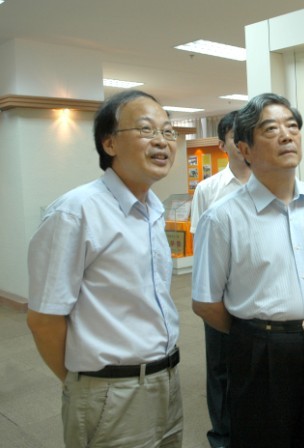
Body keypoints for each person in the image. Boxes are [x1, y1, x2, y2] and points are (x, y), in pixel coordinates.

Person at [191, 93, 304, 448]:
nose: (286, 135)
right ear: (244, 149)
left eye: (292, 126)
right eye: (271, 129)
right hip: (260, 350)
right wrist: (256, 334)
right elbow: (205, 302)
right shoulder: (222, 217)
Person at [26, 90, 183, 447]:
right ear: (109, 143)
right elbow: (44, 320)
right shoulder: (76, 212)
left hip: (167, 380)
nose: (162, 141)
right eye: (146, 130)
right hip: (111, 392)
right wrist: (86, 386)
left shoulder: (152, 210)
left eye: (168, 131)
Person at [189, 110, 250, 448]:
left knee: (255, 367)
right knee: (220, 369)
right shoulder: (208, 189)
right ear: (223, 144)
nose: (243, 142)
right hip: (219, 295)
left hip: (256, 292)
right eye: (235, 137)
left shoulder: (267, 183)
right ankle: (222, 436)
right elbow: (200, 244)